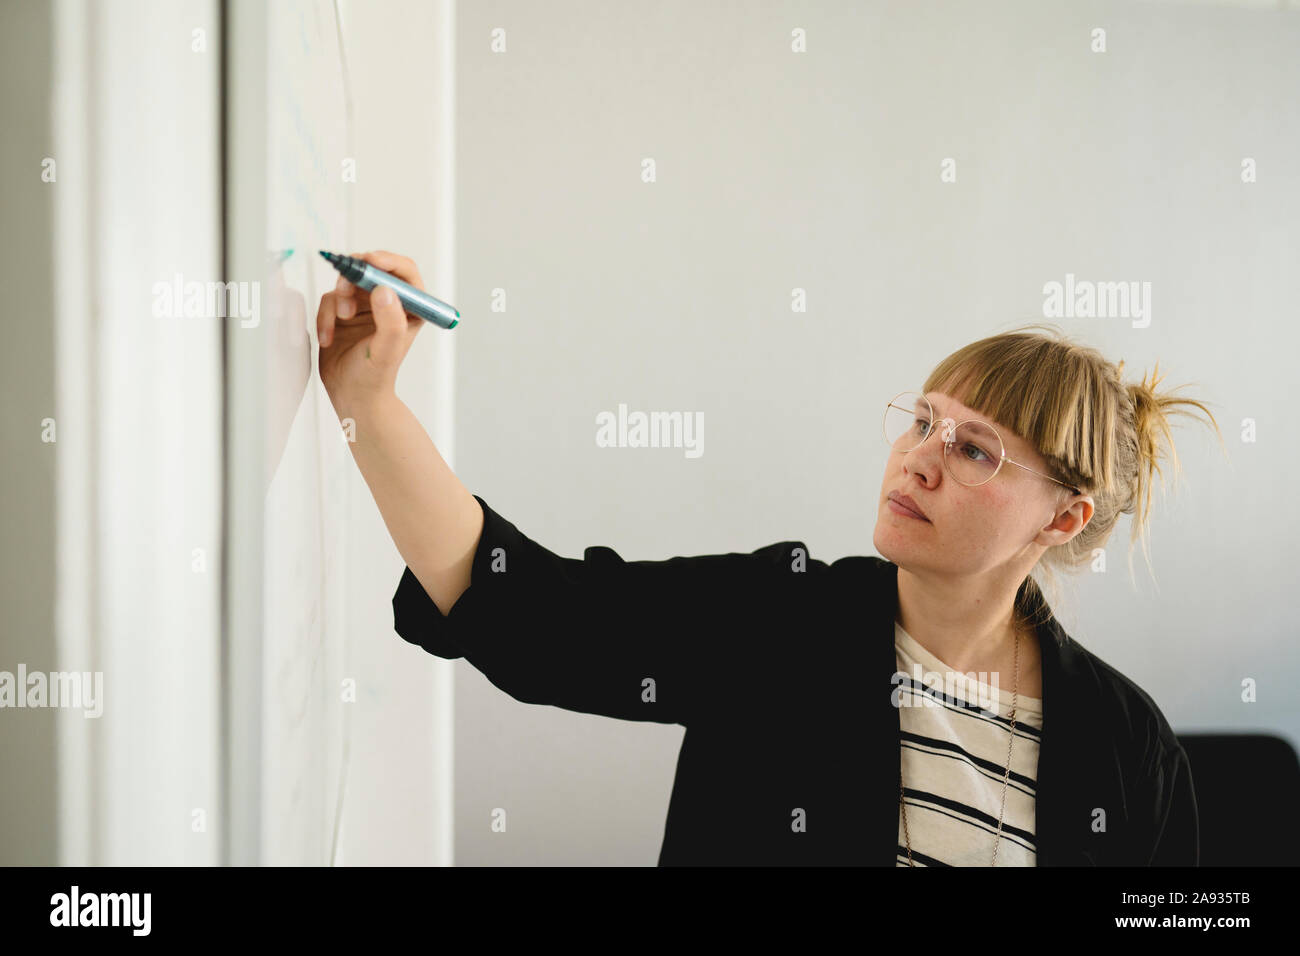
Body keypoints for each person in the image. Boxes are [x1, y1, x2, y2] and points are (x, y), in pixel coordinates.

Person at [317, 251, 1223, 866]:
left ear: (1064, 519)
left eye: (974, 449)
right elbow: (539, 618)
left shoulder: (1127, 745)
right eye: (923, 422)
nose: (918, 458)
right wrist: (371, 402)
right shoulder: (781, 619)